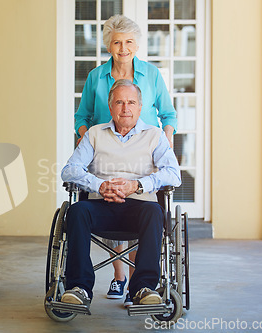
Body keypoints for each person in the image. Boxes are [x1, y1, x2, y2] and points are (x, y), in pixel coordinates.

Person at [74, 15, 178, 304]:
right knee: (101, 201)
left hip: (145, 154)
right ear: (109, 45)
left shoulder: (151, 74)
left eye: (129, 42)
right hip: (103, 149)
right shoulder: (97, 76)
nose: (123, 48)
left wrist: (166, 136)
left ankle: (138, 282)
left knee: (143, 210)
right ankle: (120, 275)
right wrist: (86, 136)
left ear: (137, 45)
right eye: (117, 42)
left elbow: (168, 114)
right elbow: (82, 116)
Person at [60, 79, 181, 307]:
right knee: (77, 211)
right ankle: (79, 288)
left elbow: (174, 174)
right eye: (120, 102)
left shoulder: (154, 136)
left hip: (139, 205)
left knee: (155, 212)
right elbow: (69, 171)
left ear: (139, 106)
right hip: (101, 204)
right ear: (110, 106)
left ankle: (143, 289)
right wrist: (99, 185)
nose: (126, 108)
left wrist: (137, 185)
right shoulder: (95, 134)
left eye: (131, 102)